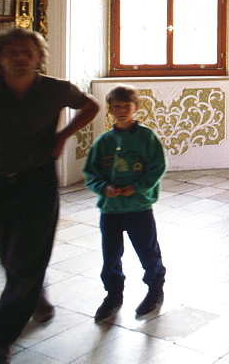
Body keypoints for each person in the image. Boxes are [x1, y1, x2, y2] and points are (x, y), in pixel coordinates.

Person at [0, 28, 100, 364]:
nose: (20, 57)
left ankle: (1, 337)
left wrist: (63, 136)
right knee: (2, 250)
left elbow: (90, 106)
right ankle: (33, 294)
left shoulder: (55, 89)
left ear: (37, 57)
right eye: (13, 52)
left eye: (27, 52)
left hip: (38, 183)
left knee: (27, 261)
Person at [82, 85, 167, 323]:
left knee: (147, 251)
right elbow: (91, 172)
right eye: (116, 107)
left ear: (136, 108)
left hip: (139, 208)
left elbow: (157, 167)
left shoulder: (146, 137)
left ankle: (155, 289)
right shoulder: (104, 142)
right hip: (111, 211)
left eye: (126, 106)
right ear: (109, 110)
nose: (121, 111)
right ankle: (113, 293)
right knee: (111, 255)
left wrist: (137, 187)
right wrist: (103, 188)